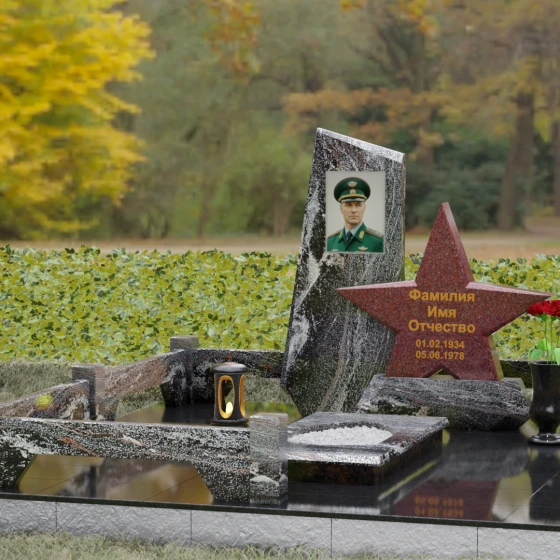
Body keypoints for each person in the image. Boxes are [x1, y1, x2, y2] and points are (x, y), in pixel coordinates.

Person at [326, 177, 384, 253]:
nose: (354, 210)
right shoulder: (330, 242)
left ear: (364, 208)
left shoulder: (378, 241)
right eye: (348, 205)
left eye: (358, 205)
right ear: (341, 209)